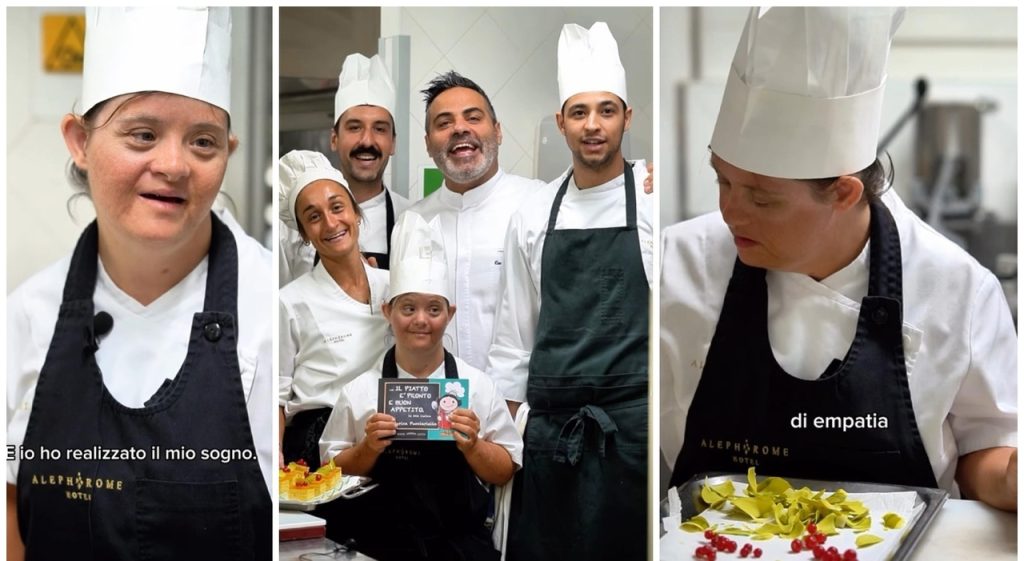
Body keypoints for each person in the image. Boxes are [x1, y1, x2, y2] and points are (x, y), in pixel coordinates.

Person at [660, 7, 1017, 512]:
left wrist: (1010, 479)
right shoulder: (674, 265)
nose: (729, 211)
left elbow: (985, 448)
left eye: (761, 198)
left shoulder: (956, 287)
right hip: (707, 540)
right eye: (723, 180)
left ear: (845, 193)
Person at [6, 7, 271, 560]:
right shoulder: (24, 316)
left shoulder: (271, 310)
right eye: (143, 134)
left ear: (228, 152)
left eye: (203, 142)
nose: (173, 165)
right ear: (79, 141)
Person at [489, 22, 653, 561]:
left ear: (628, 117)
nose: (593, 125)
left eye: (607, 110)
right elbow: (513, 341)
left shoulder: (653, 199)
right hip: (552, 434)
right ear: (561, 123)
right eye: (579, 112)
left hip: (633, 433)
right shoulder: (534, 213)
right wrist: (511, 439)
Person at [318, 211, 523, 561]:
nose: (421, 320)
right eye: (408, 308)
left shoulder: (477, 386)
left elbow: (505, 470)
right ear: (388, 311)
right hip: (377, 547)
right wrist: (368, 447)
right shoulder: (361, 391)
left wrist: (473, 445)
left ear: (450, 314)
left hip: (459, 549)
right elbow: (331, 473)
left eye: (434, 309)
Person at [411, 71, 546, 371]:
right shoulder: (413, 222)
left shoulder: (539, 203)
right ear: (428, 144)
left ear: (498, 132)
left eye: (473, 117)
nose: (460, 128)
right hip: (436, 396)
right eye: (444, 123)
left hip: (523, 396)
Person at [278, 149, 390, 469]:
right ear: (304, 233)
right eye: (313, 217)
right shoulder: (290, 301)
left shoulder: (394, 288)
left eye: (337, 207)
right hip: (318, 445)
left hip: (387, 437)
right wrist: (275, 458)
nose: (330, 223)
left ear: (356, 212)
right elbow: (276, 397)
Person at [280, 53, 410, 284]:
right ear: (334, 139)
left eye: (380, 129)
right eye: (354, 127)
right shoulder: (294, 224)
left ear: (393, 143)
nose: (367, 141)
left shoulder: (411, 221)